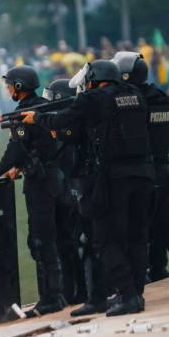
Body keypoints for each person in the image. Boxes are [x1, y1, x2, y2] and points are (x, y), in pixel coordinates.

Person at [23, 60, 154, 317]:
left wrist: (37, 118)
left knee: (104, 239)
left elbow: (62, 120)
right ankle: (135, 293)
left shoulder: (93, 98)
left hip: (114, 177)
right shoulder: (134, 94)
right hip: (144, 173)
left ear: (95, 78)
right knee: (137, 237)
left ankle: (128, 296)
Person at [113, 51, 169, 298]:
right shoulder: (163, 98)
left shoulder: (128, 101)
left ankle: (135, 290)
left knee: (138, 230)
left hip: (139, 172)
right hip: (162, 170)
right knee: (168, 226)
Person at [0, 65, 66, 318]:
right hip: (53, 177)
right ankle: (58, 295)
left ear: (19, 87)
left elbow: (16, 149)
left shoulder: (26, 113)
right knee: (53, 238)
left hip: (39, 182)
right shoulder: (42, 106)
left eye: (10, 84)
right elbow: (36, 145)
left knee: (41, 240)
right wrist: (17, 166)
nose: (8, 88)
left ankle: (50, 299)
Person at [44, 79, 102, 316]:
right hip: (71, 193)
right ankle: (78, 292)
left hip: (75, 194)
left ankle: (89, 293)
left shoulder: (69, 127)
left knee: (81, 243)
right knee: (72, 245)